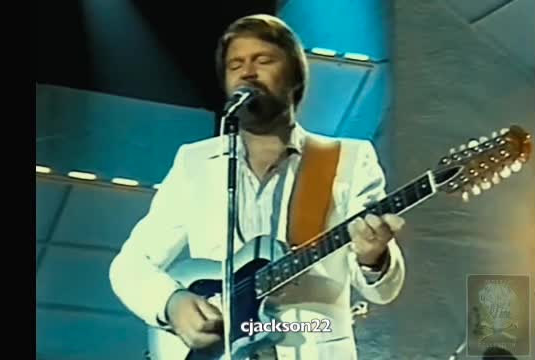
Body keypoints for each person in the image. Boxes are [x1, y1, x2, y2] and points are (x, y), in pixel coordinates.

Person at [109, 14, 407, 360]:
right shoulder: (195, 163)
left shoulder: (345, 159)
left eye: (263, 60)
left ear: (295, 76)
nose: (247, 72)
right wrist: (172, 303)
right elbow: (130, 265)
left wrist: (374, 258)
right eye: (236, 65)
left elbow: (383, 291)